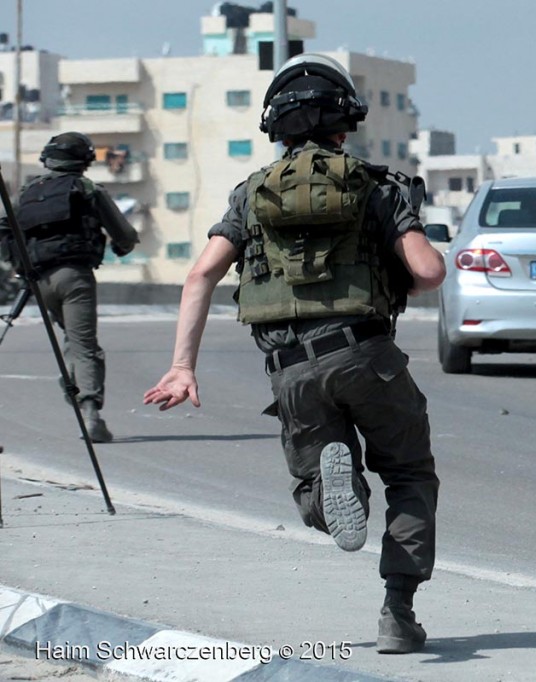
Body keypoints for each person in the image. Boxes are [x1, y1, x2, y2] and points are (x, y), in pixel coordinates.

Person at [142, 54, 445, 654]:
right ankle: (397, 613)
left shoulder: (250, 195)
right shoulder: (376, 186)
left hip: (291, 370)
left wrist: (182, 366)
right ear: (346, 120)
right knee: (409, 474)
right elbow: (429, 271)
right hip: (367, 355)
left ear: (275, 126)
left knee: (316, 481)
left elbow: (201, 274)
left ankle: (334, 505)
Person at [0, 132, 139, 442]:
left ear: (48, 159)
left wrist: (19, 264)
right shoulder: (87, 189)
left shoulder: (27, 192)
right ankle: (91, 413)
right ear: (84, 161)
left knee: (71, 339)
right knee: (85, 344)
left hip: (38, 282)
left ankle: (72, 385)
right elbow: (125, 234)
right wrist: (121, 248)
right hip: (75, 278)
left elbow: (3, 226)